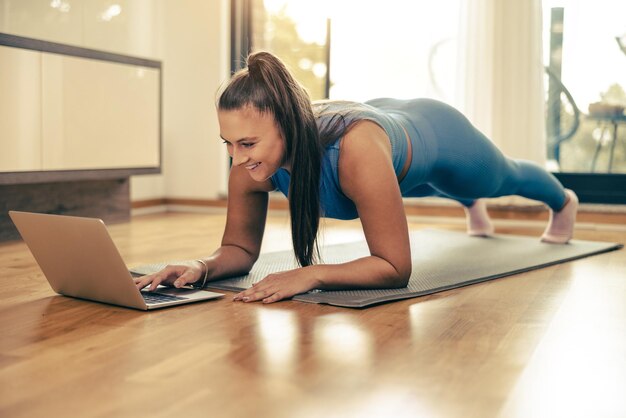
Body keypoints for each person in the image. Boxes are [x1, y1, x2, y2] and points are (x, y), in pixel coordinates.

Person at [135, 51, 578, 304]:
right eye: (227, 144)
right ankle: (465, 201)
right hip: (385, 128)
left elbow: (395, 268)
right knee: (424, 185)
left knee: (499, 179)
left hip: (436, 133)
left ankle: (563, 202)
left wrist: (313, 275)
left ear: (288, 126)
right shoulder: (250, 168)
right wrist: (201, 266)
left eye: (247, 144)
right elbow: (237, 250)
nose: (236, 160)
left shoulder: (354, 152)